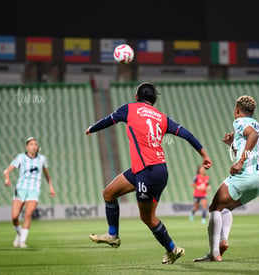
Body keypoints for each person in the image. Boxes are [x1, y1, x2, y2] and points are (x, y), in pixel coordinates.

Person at [85, 82, 212, 264]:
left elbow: (109, 119)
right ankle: (112, 235)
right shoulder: (162, 117)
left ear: (137, 97)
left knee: (147, 217)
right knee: (109, 193)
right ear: (155, 100)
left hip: (147, 171)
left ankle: (172, 249)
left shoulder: (129, 108)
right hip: (154, 170)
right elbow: (187, 134)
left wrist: (91, 128)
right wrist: (204, 155)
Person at [194, 95, 259, 262]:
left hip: (247, 175)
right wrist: (233, 145)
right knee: (226, 208)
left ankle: (214, 253)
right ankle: (223, 240)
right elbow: (254, 141)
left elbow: (253, 136)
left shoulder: (240, 122)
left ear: (237, 110)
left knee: (214, 207)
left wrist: (240, 161)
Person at [3, 137, 55, 248]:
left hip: (34, 190)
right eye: (31, 144)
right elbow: (7, 171)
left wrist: (51, 187)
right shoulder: (21, 157)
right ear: (27, 146)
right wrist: (7, 179)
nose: (34, 146)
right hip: (20, 189)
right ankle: (19, 234)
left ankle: (22, 241)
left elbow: (47, 174)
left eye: (35, 144)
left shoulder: (42, 159)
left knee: (28, 214)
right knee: (14, 216)